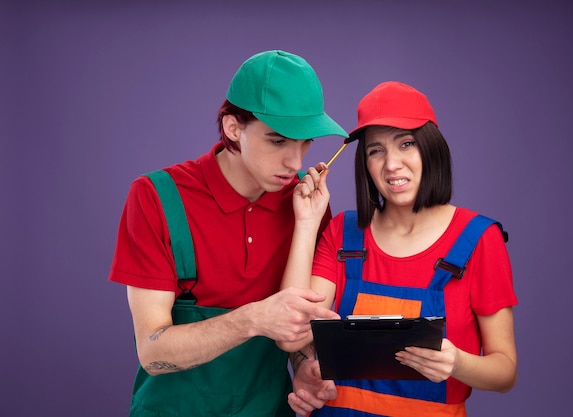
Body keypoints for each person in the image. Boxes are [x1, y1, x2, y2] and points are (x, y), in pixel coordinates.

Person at [108, 49, 348, 417]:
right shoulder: (156, 196)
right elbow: (153, 354)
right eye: (278, 140)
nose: (296, 162)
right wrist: (253, 318)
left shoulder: (306, 201)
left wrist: (304, 366)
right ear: (234, 128)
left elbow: (296, 325)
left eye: (306, 143)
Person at [279, 81, 518, 417]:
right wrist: (306, 222)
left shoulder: (478, 239)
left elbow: (505, 372)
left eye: (406, 144)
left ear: (431, 148)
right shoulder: (342, 233)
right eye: (376, 150)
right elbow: (291, 334)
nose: (391, 164)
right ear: (365, 163)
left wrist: (457, 363)